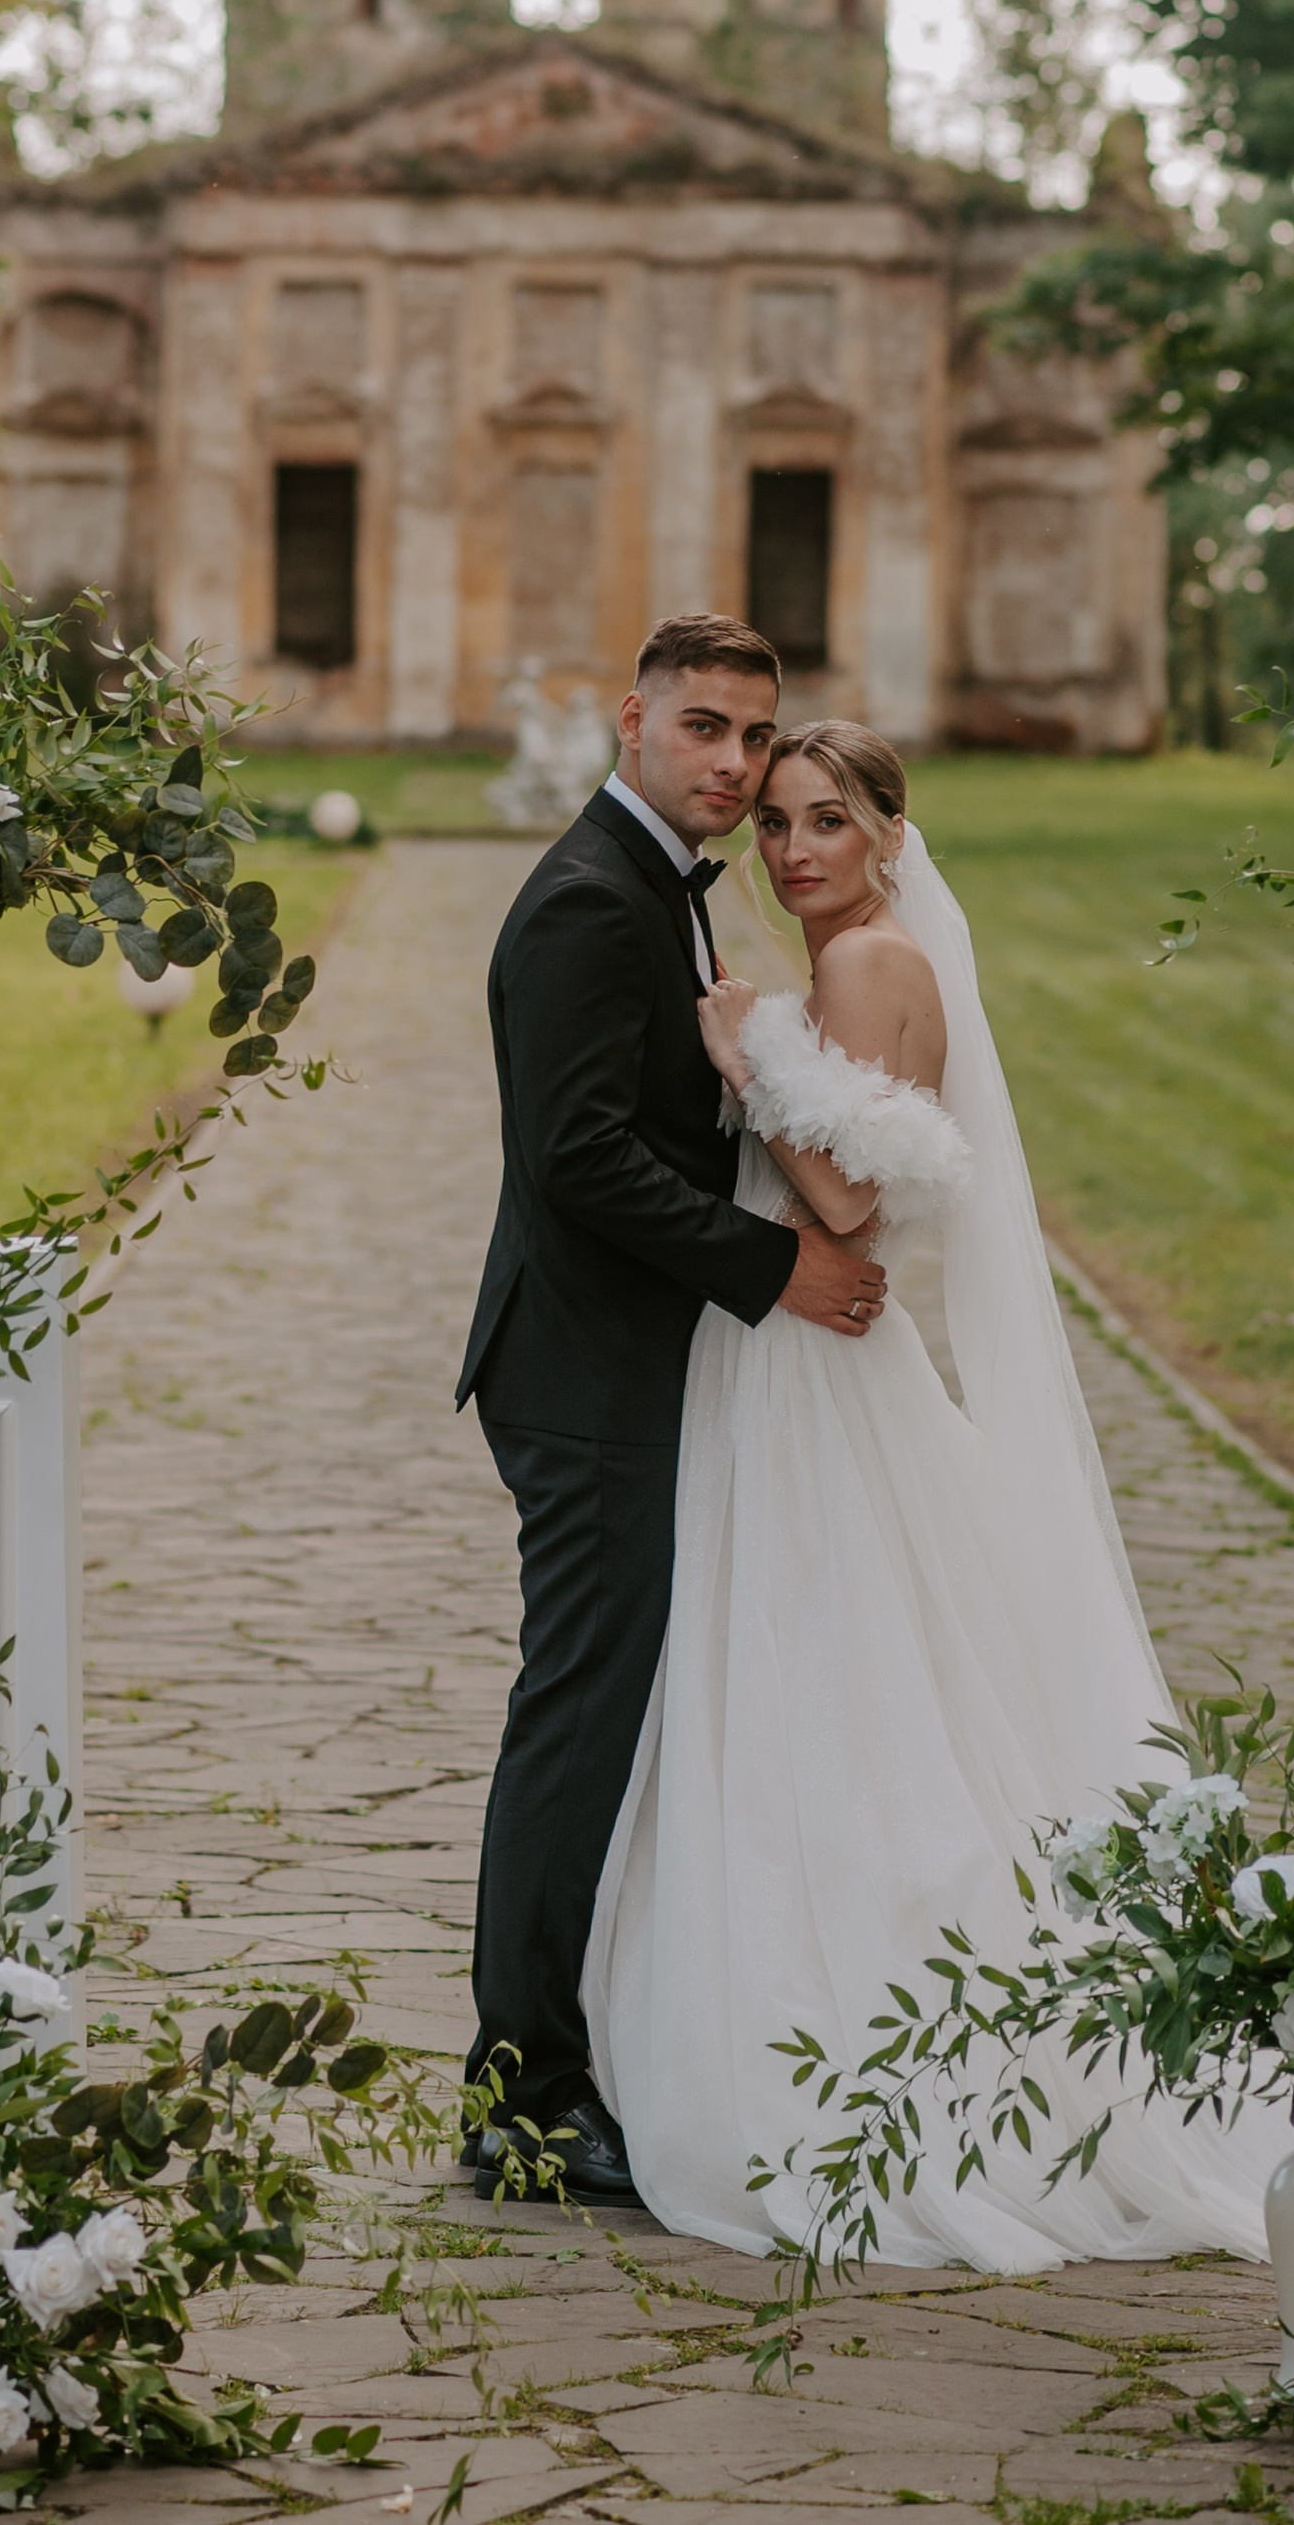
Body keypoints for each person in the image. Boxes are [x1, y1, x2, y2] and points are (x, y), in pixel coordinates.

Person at [580, 718, 1280, 2264]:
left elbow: (847, 1195)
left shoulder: (860, 970)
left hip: (816, 1369)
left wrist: (746, 1052)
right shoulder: (873, 956)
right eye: (774, 823)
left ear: (891, 834)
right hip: (812, 1354)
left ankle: (840, 2012)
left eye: (828, 820)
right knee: (845, 1661)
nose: (794, 850)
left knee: (823, 1669)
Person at [457, 615, 890, 2204]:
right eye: (703, 727)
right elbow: (577, 1157)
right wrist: (773, 1266)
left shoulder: (651, 886)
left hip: (629, 1361)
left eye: (754, 737)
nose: (733, 763)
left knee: (611, 1713)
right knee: (576, 1719)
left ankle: (586, 2048)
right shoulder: (586, 902)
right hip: (585, 1373)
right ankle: (520, 2096)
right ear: (631, 721)